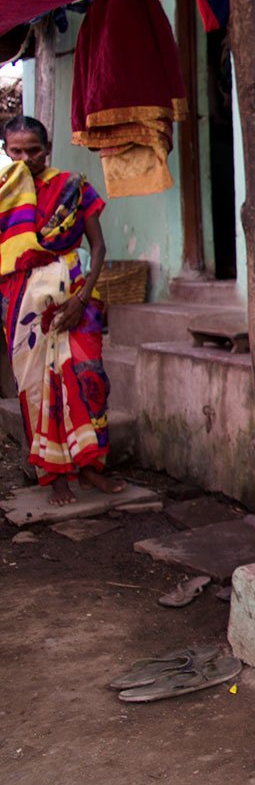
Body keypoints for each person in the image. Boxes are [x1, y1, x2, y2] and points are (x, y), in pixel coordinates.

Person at [0, 116, 125, 506]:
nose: (25, 158)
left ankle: (90, 468)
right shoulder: (3, 194)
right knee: (36, 386)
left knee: (88, 377)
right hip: (21, 304)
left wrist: (81, 299)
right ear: (5, 152)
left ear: (47, 149)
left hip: (75, 296)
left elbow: (99, 247)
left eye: (33, 151)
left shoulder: (72, 187)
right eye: (16, 151)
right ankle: (54, 475)